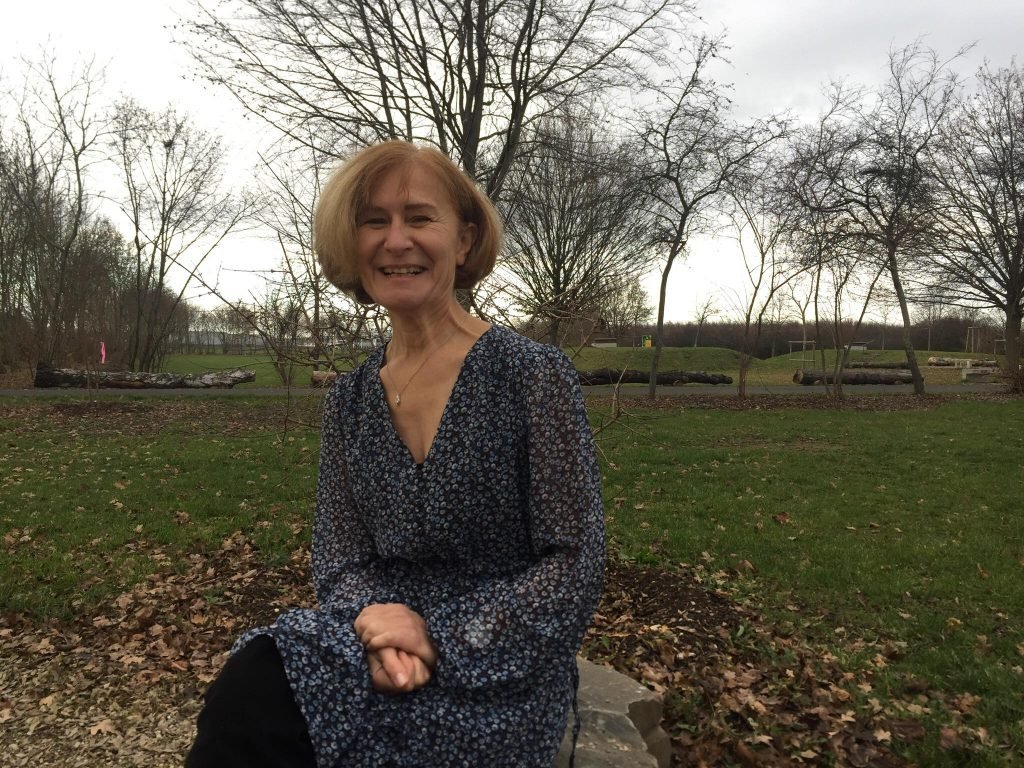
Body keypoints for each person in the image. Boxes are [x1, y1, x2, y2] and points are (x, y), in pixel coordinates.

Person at [186, 140, 605, 768]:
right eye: (374, 221)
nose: (396, 240)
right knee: (252, 686)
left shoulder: (533, 376)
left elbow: (575, 560)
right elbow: (339, 556)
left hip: (499, 666)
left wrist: (442, 638)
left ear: (464, 240)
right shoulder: (350, 400)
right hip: (375, 646)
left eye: (419, 217)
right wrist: (380, 628)